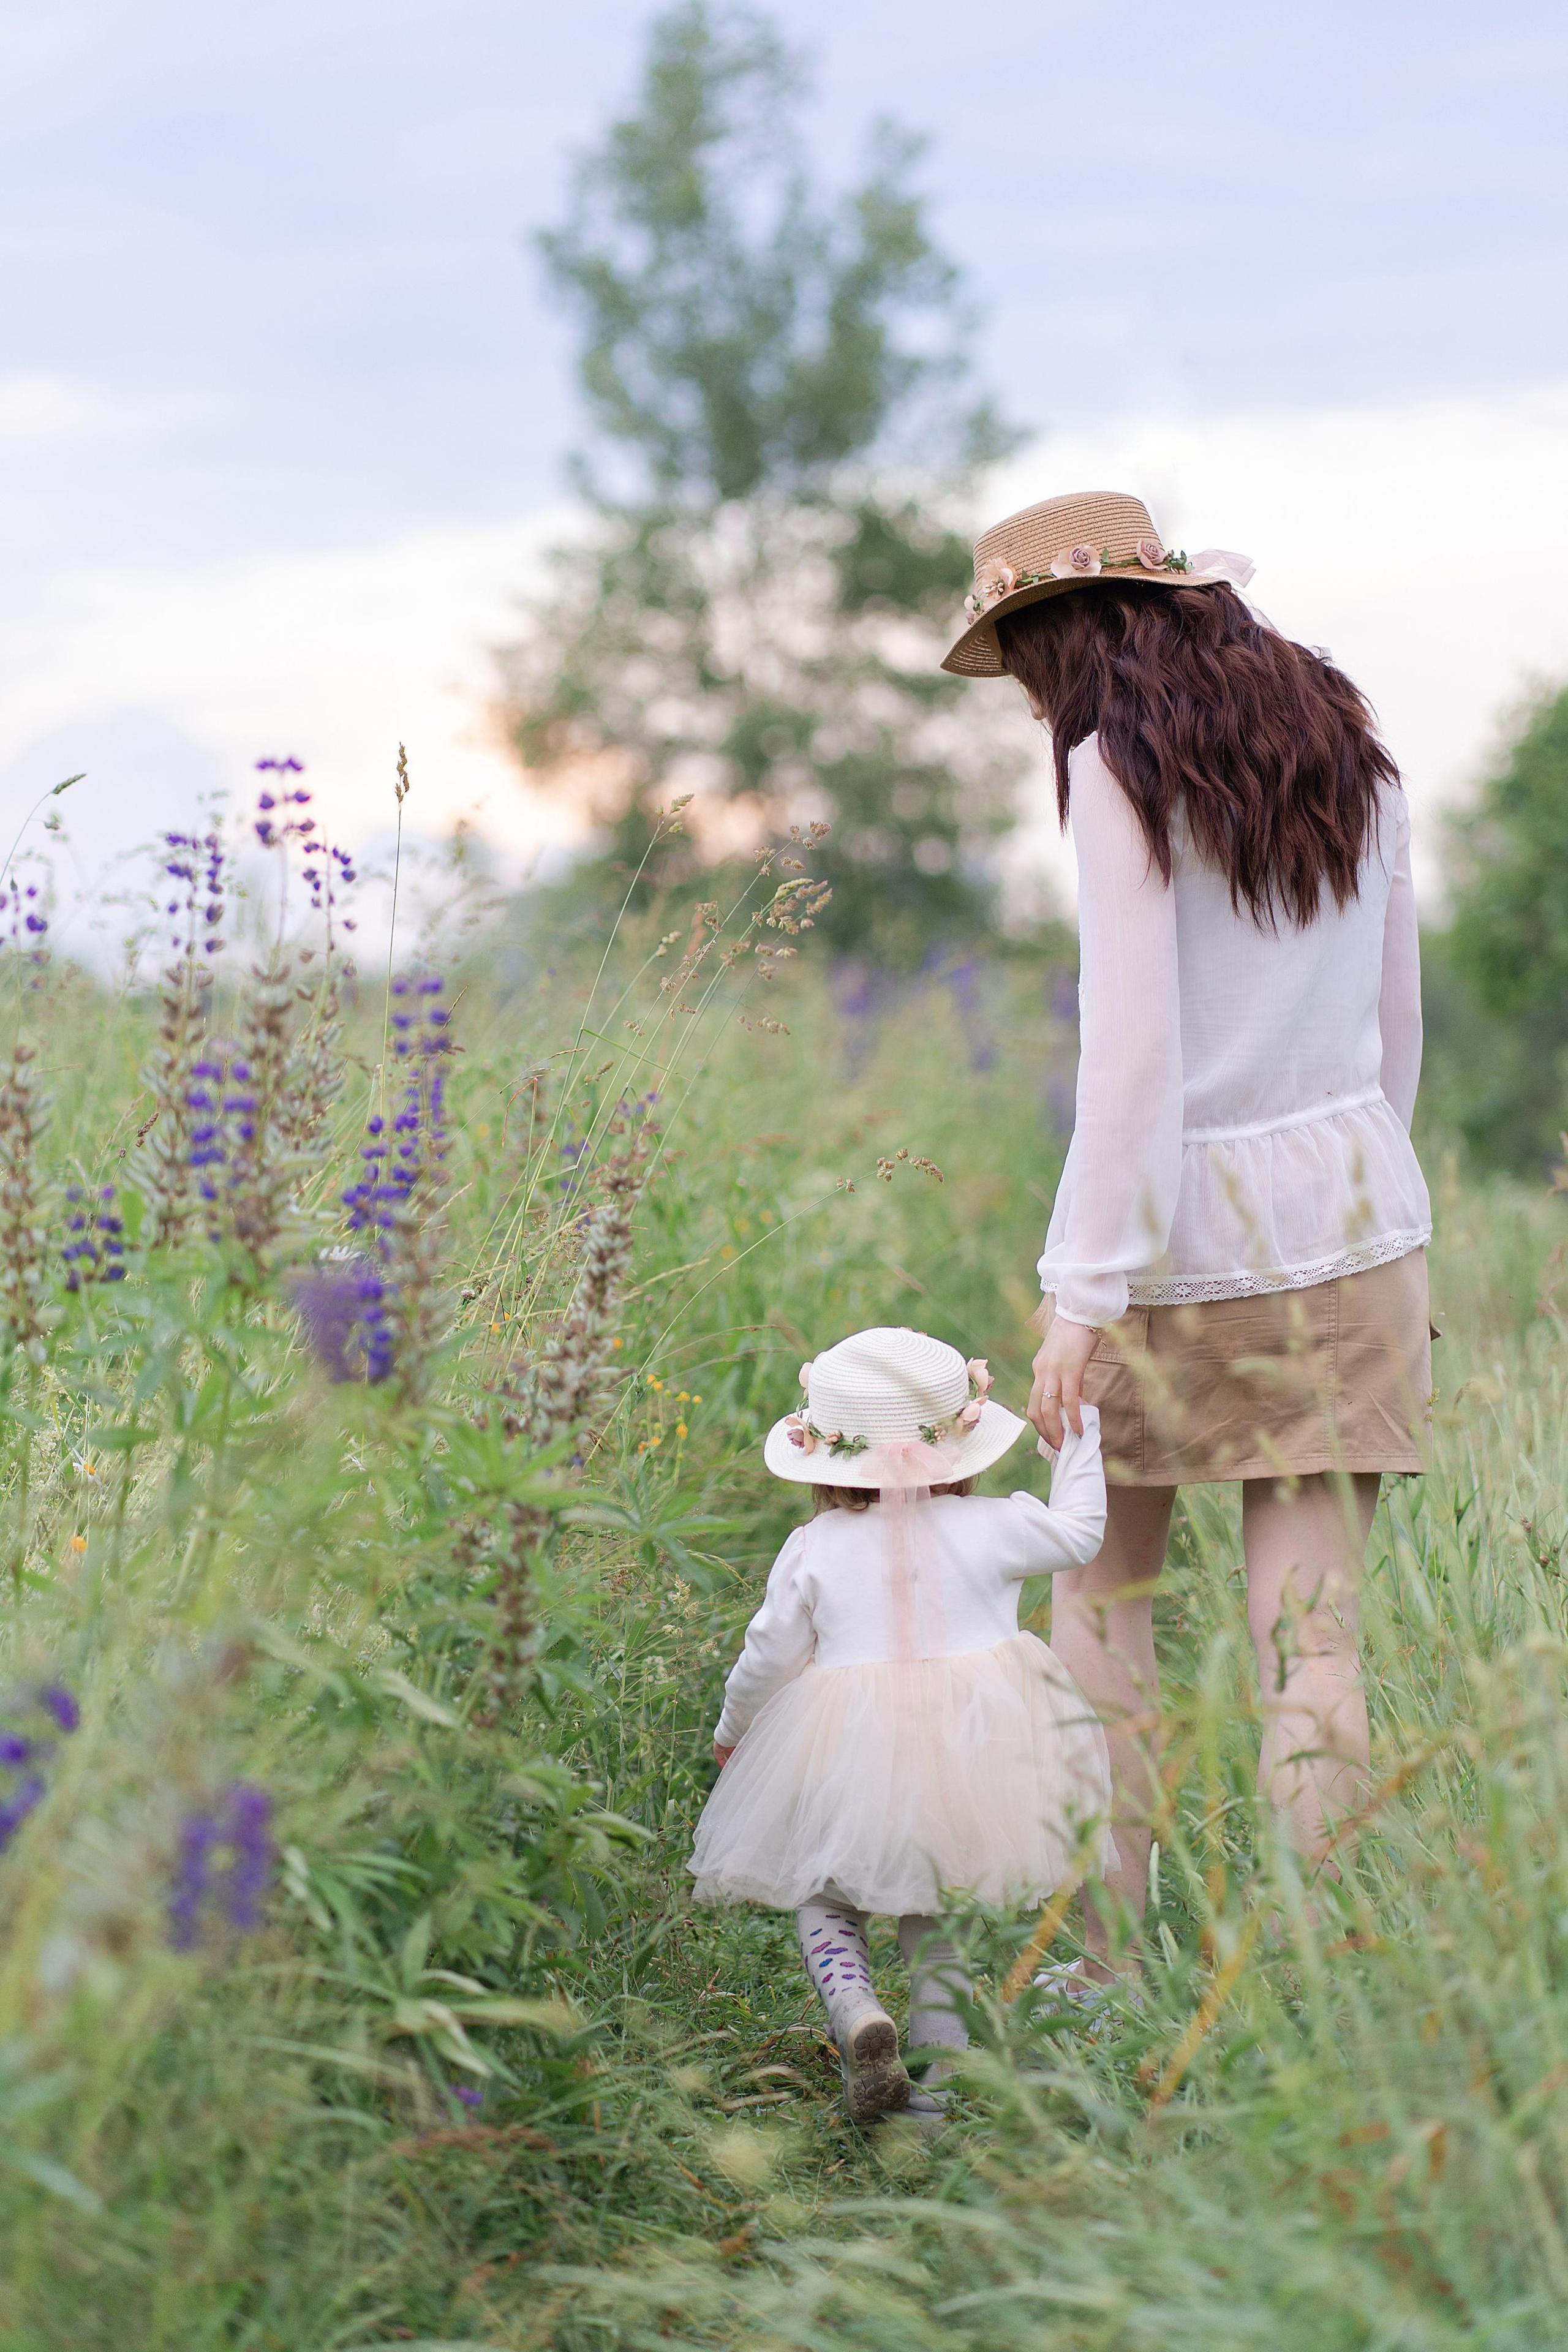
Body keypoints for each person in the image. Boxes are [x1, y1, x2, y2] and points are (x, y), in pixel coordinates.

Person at [942, 490, 1433, 1972]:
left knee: (1101, 1608)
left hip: (1178, 1239)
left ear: (1065, 633)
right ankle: (1312, 1987)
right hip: (1355, 1220)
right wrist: (1372, 1203)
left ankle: (1105, 1971)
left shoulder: (1111, 758)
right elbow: (1391, 1018)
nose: (1027, 695)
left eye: (1022, 661)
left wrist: (1079, 1293)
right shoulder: (1345, 740)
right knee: (1315, 1643)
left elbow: (1133, 1053)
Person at [688, 1326, 1113, 2124]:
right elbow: (1081, 1534)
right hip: (975, 1752)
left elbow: (767, 1656)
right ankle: (938, 2095)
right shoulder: (992, 1525)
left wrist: (735, 1729)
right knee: (939, 1911)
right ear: (964, 1448)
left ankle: (854, 2007)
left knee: (822, 1888)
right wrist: (1077, 1442)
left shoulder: (813, 1547)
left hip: (849, 1746)